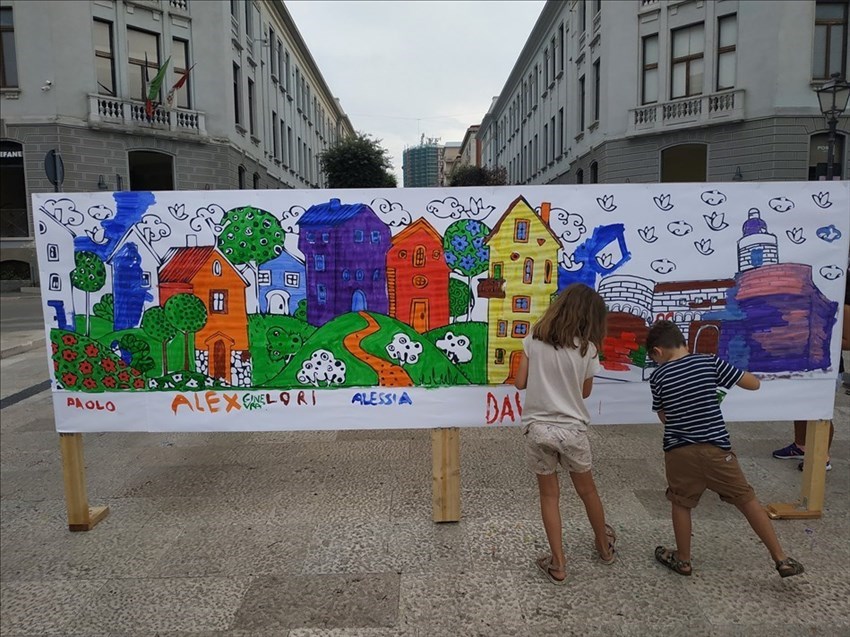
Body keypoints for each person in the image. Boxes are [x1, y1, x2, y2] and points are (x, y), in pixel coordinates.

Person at [646, 320, 804, 579]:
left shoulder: (658, 376)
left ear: (657, 352)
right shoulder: (710, 362)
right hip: (717, 450)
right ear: (684, 343)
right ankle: (781, 558)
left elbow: (664, 417)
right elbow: (753, 384)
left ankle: (683, 559)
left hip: (679, 452)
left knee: (681, 503)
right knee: (747, 500)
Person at [513, 283, 616, 585]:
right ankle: (604, 547)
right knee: (588, 492)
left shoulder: (533, 338)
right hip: (572, 430)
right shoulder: (589, 348)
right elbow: (583, 392)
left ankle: (558, 564)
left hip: (538, 428)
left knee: (549, 496)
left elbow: (520, 383)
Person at [773, 273, 849, 470]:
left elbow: (847, 342)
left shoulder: (842, 298)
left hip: (826, 368)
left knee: (820, 412)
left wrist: (812, 335)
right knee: (801, 407)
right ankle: (801, 446)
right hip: (801, 364)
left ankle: (821, 457)